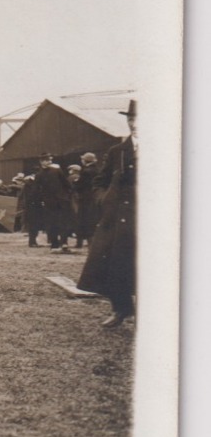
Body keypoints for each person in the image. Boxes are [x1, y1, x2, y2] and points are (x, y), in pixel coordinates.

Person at [78, 100, 137, 328]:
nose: (135, 124)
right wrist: (103, 198)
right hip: (116, 218)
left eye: (140, 119)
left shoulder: (165, 147)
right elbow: (99, 180)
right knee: (109, 263)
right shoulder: (117, 151)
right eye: (131, 119)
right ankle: (121, 309)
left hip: (147, 218)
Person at [33, 153, 73, 252]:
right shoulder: (39, 175)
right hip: (51, 202)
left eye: (49, 160)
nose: (48, 162)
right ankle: (55, 244)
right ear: (41, 162)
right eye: (46, 160)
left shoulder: (56, 171)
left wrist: (67, 196)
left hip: (59, 201)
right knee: (53, 223)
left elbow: (67, 184)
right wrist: (41, 200)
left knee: (62, 222)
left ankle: (63, 243)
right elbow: (36, 190)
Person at [74, 151, 101, 248]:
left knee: (83, 220)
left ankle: (82, 243)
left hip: (85, 198)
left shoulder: (85, 172)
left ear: (85, 161)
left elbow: (80, 185)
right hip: (95, 197)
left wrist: (75, 183)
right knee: (93, 219)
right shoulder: (98, 170)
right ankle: (92, 242)